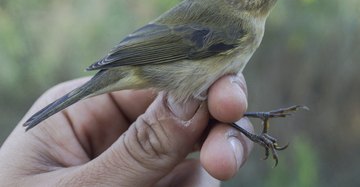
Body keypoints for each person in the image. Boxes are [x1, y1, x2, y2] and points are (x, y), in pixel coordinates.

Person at [0, 74, 253, 186]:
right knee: (211, 107)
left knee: (219, 109)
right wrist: (148, 145)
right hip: (154, 62)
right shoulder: (239, 26)